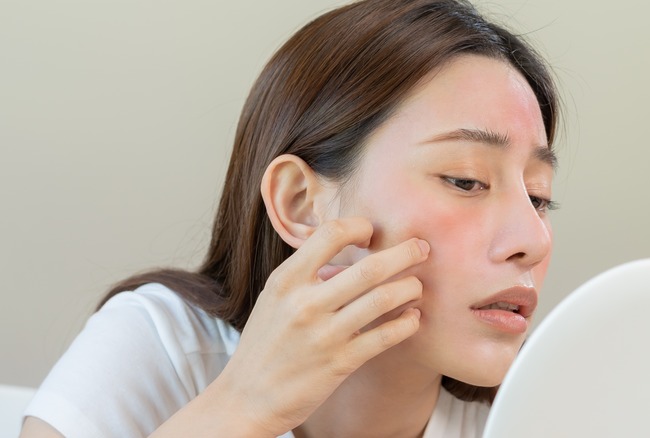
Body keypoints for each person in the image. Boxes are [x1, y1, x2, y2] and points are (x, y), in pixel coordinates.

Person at [21, 0, 560, 436]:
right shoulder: (162, 346)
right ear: (301, 203)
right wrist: (243, 408)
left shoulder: (542, 408)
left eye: (538, 197)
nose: (532, 239)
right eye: (466, 180)